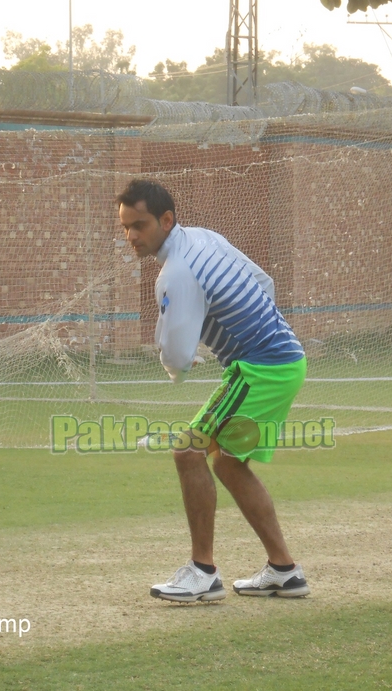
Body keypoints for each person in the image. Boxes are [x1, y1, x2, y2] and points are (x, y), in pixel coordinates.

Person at [116, 179, 310, 602]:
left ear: (166, 220)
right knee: (225, 462)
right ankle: (284, 571)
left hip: (263, 367)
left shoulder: (177, 271)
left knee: (188, 451)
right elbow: (265, 281)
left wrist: (179, 367)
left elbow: (177, 354)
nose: (131, 236)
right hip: (280, 358)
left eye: (140, 225)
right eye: (126, 227)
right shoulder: (203, 238)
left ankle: (202, 573)